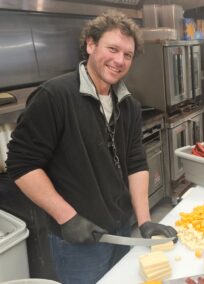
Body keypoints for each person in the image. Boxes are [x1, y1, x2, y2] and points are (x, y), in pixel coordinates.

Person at [6, 10, 177, 284]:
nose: (119, 60)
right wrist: (68, 218)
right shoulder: (55, 96)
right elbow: (21, 164)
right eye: (113, 49)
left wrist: (144, 221)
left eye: (128, 55)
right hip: (77, 238)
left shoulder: (129, 104)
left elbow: (135, 162)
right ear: (90, 44)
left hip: (120, 226)